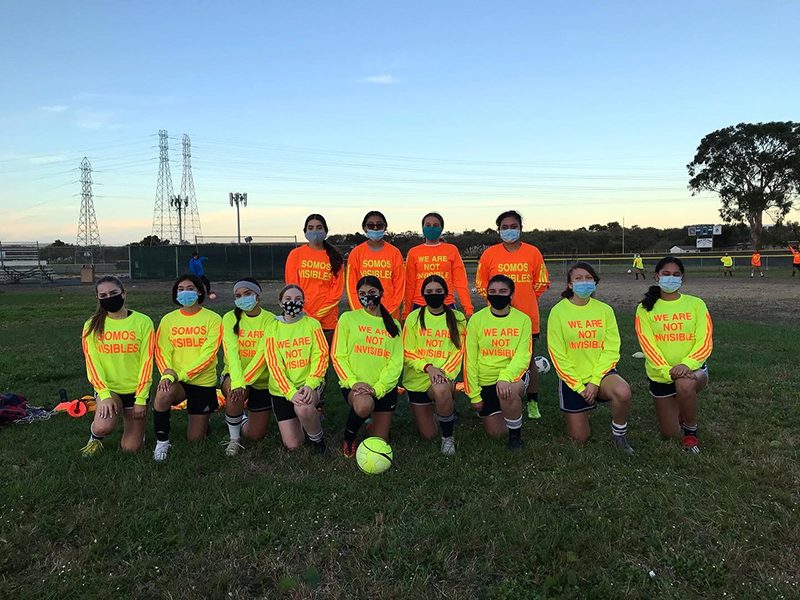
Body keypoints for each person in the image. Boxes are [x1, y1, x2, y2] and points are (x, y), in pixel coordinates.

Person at [546, 263, 633, 453]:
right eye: (578, 278)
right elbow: (557, 354)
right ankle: (580, 412)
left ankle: (619, 434)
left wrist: (595, 381)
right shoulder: (558, 312)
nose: (584, 282)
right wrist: (579, 386)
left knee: (623, 391)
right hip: (573, 380)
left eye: (588, 278)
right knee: (579, 439)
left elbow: (611, 349)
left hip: (600, 376)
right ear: (570, 284)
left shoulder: (605, 310)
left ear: (595, 282)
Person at [475, 210, 549, 419]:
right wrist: (497, 304)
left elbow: (541, 283)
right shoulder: (490, 254)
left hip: (527, 318)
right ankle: (495, 394)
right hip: (496, 317)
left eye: (513, 226)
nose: (509, 230)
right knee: (497, 355)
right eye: (504, 227)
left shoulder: (533, 252)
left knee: (529, 360)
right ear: (498, 230)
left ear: (521, 229)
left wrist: (522, 300)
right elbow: (481, 284)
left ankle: (532, 402)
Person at [635, 256, 713, 453]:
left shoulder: (696, 304)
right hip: (661, 375)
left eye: (676, 275)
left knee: (684, 384)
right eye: (666, 274)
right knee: (669, 434)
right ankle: (681, 409)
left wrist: (687, 364)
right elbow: (648, 345)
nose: (671, 278)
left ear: (682, 279)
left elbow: (704, 341)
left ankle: (691, 432)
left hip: (692, 372)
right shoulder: (644, 309)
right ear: (657, 277)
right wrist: (666, 371)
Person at [79, 276, 155, 456]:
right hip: (110, 389)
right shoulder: (91, 325)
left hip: (135, 390)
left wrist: (141, 398)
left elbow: (147, 362)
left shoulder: (143, 322)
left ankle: (137, 432)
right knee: (104, 426)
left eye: (113, 293)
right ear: (98, 299)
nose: (109, 297)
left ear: (124, 294)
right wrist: (103, 395)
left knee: (131, 449)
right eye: (103, 295)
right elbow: (92, 363)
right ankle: (95, 437)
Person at [152, 274, 223, 461]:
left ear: (199, 291)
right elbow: (162, 350)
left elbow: (208, 355)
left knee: (195, 440)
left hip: (202, 381)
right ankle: (162, 442)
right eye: (180, 289)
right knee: (162, 393)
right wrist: (167, 374)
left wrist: (180, 374)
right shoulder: (169, 320)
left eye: (190, 289)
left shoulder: (213, 319)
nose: (185, 293)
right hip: (176, 380)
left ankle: (203, 419)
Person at [332, 275, 403, 457]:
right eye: (362, 293)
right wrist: (353, 383)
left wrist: (378, 388)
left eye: (372, 292)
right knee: (364, 405)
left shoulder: (393, 324)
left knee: (380, 441)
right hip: (355, 387)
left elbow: (396, 363)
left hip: (383, 389)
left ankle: (374, 422)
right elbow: (338, 356)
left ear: (381, 293)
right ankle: (349, 437)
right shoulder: (348, 318)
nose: (368, 297)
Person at [464, 274, 531, 450]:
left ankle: (515, 437)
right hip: (485, 379)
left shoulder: (523, 319)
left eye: (502, 291)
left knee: (507, 393)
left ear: (511, 294)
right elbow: (469, 359)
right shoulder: (477, 320)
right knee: (496, 433)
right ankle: (507, 409)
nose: (497, 295)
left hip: (511, 377)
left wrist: (505, 377)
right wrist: (474, 394)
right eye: (492, 291)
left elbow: (523, 355)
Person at [402, 275, 467, 455]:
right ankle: (440, 409)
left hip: (442, 377)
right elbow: (407, 352)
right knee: (429, 434)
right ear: (422, 294)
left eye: (438, 291)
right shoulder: (414, 318)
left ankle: (448, 438)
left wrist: (442, 373)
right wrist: (428, 368)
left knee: (440, 390)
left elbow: (459, 352)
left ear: (446, 293)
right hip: (417, 379)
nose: (434, 295)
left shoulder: (457, 317)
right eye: (429, 292)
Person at [264, 285, 329, 453]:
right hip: (282, 390)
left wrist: (310, 384)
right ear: (280, 303)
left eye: (298, 300)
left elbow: (321, 356)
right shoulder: (272, 328)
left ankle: (318, 441)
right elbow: (274, 365)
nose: (293, 303)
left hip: (307, 385)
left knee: (304, 407)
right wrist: (290, 392)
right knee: (294, 444)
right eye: (288, 300)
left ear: (303, 303)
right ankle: (307, 419)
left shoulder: (312, 324)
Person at [220, 278, 275, 456]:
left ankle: (240, 418)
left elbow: (263, 355)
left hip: (261, 380)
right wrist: (238, 382)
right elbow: (231, 352)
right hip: (234, 376)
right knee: (236, 394)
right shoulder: (229, 318)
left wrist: (245, 380)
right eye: (238, 295)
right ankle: (234, 439)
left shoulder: (271, 320)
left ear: (258, 296)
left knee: (255, 435)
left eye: (247, 294)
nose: (243, 298)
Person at [284, 214, 345, 344]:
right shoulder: (295, 254)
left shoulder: (335, 257)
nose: (315, 231)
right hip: (301, 315)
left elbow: (337, 291)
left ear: (325, 231)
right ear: (305, 231)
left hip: (327, 318)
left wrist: (317, 315)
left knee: (324, 359)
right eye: (310, 228)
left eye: (319, 227)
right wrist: (303, 311)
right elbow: (292, 287)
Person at [403, 212, 474, 318]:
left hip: (446, 303)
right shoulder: (414, 252)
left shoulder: (451, 250)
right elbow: (409, 285)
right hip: (420, 304)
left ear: (441, 228)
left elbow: (460, 282)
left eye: (435, 225)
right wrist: (406, 312)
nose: (431, 228)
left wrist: (468, 308)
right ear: (422, 228)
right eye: (428, 225)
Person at [345, 211, 405, 318]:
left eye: (379, 225)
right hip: (364, 313)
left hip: (389, 312)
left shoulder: (394, 253)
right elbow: (351, 286)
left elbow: (400, 286)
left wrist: (389, 310)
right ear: (364, 228)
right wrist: (361, 311)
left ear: (385, 227)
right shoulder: (356, 253)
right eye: (371, 225)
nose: (375, 228)